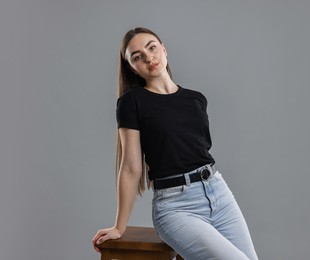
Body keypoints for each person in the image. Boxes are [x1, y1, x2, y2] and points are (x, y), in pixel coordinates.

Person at [92, 27, 258, 260]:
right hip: (176, 206)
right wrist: (119, 227)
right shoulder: (131, 102)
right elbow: (130, 168)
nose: (149, 57)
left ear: (164, 50)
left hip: (219, 193)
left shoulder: (196, 99)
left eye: (152, 47)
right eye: (137, 56)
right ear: (132, 67)